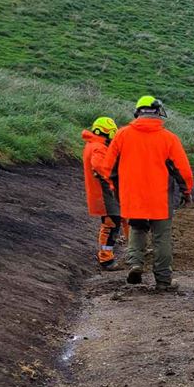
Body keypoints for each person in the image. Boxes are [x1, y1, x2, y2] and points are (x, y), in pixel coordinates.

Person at [98, 96, 193, 292]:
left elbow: (108, 168)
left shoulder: (122, 135)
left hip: (133, 195)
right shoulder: (169, 138)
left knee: (137, 229)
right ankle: (163, 280)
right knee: (162, 237)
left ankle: (135, 264)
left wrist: (118, 189)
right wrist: (186, 191)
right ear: (158, 112)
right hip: (160, 197)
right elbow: (182, 170)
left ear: (138, 112)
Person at [81, 116, 126, 271]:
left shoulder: (92, 144)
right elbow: (101, 167)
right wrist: (114, 178)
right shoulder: (98, 148)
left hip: (103, 191)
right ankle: (105, 258)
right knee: (111, 223)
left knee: (117, 220)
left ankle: (124, 251)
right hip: (104, 192)